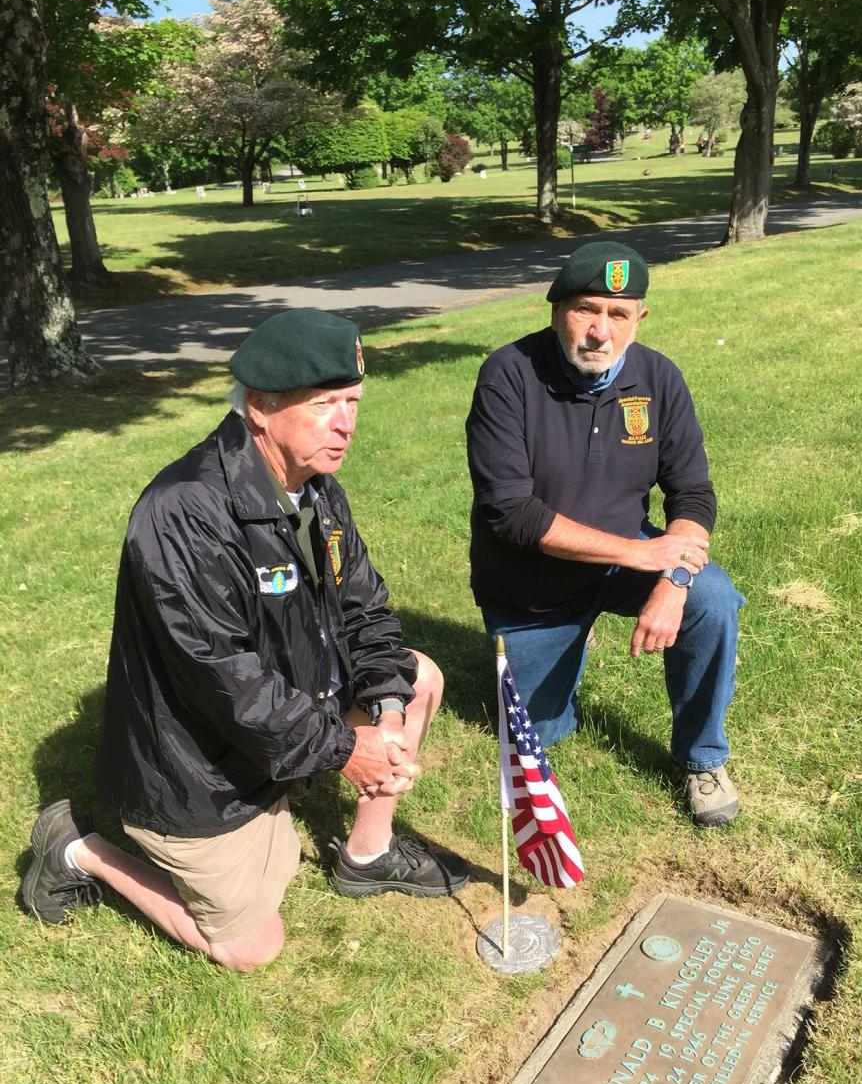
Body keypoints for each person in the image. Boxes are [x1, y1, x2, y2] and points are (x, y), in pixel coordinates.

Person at [22, 309, 468, 971]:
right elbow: (225, 681)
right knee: (253, 948)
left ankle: (366, 857)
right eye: (326, 405)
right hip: (198, 765)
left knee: (416, 677)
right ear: (261, 407)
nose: (347, 422)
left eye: (353, 401)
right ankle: (73, 848)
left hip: (281, 722)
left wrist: (387, 717)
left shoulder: (314, 488)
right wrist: (349, 749)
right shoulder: (180, 514)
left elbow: (364, 608)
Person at [466, 241, 744, 827]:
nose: (600, 331)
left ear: (639, 319)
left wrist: (674, 576)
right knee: (539, 736)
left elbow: (692, 492)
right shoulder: (507, 375)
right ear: (555, 309)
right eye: (585, 310)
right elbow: (511, 512)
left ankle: (703, 758)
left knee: (711, 597)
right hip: (530, 582)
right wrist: (644, 550)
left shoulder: (659, 377)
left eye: (618, 315)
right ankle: (568, 635)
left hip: (625, 563)